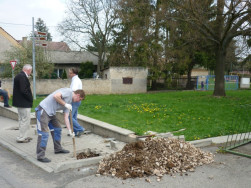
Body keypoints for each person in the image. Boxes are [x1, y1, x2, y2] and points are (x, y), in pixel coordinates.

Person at [35, 88, 85, 163]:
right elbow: (55, 96)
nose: (79, 101)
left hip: (51, 113)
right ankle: (40, 156)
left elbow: (66, 118)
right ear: (77, 95)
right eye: (80, 99)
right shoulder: (68, 92)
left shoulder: (70, 103)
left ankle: (58, 149)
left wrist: (70, 131)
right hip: (43, 110)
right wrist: (65, 104)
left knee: (57, 129)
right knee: (44, 134)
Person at [12, 64, 33, 143]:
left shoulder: (19, 76)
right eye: (30, 71)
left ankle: (23, 136)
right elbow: (23, 90)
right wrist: (30, 98)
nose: (30, 73)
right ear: (28, 70)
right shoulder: (22, 77)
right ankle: (22, 138)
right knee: (25, 120)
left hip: (20, 102)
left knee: (22, 120)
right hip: (24, 102)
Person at [68, 68, 85, 137]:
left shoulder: (75, 80)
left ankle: (80, 129)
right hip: (77, 100)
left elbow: (73, 91)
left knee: (70, 117)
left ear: (74, 74)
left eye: (70, 73)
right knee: (74, 117)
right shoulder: (76, 80)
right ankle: (74, 131)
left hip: (75, 100)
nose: (69, 74)